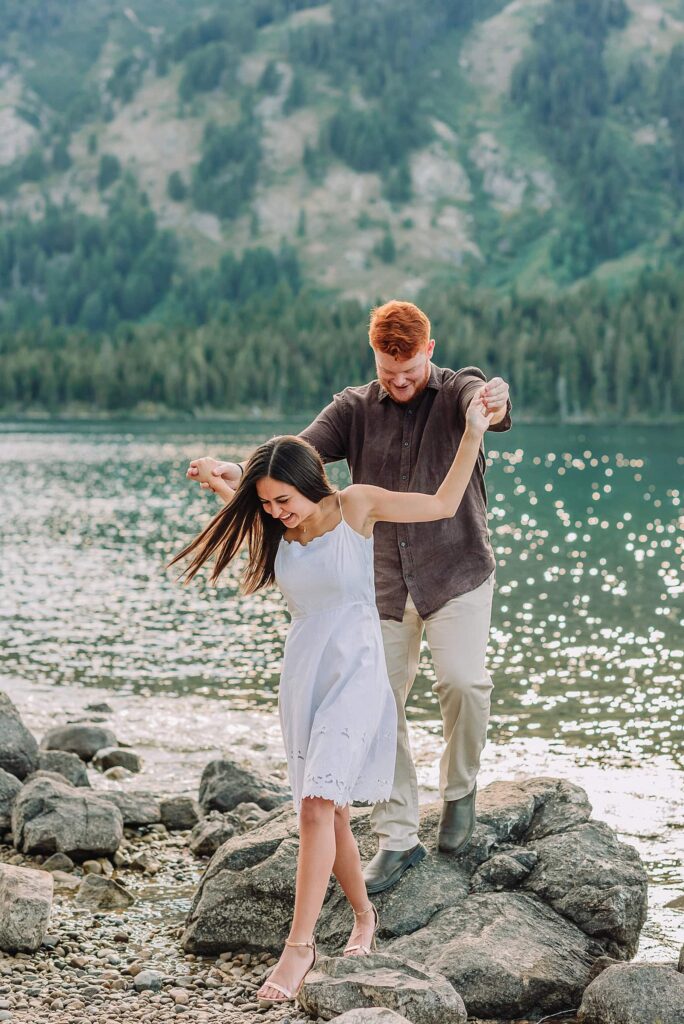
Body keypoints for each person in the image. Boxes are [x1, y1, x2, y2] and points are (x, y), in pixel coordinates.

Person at [173, 397, 491, 1007]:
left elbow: (443, 504)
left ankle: (300, 948)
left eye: (282, 500)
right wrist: (225, 480)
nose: (275, 513)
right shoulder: (276, 527)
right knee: (332, 812)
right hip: (305, 674)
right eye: (265, 504)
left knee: (317, 806)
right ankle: (365, 917)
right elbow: (255, 497)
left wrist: (473, 432)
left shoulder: (355, 506)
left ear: (310, 485)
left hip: (358, 669)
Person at [188, 299, 512, 895]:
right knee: (377, 705)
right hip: (382, 582)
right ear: (375, 357)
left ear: (428, 351)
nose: (400, 379)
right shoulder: (353, 408)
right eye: (389, 371)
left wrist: (492, 403)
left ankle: (460, 787)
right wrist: (234, 469)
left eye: (410, 368)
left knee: (463, 682)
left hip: (456, 569)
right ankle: (398, 836)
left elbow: (480, 399)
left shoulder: (457, 388)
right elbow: (292, 462)